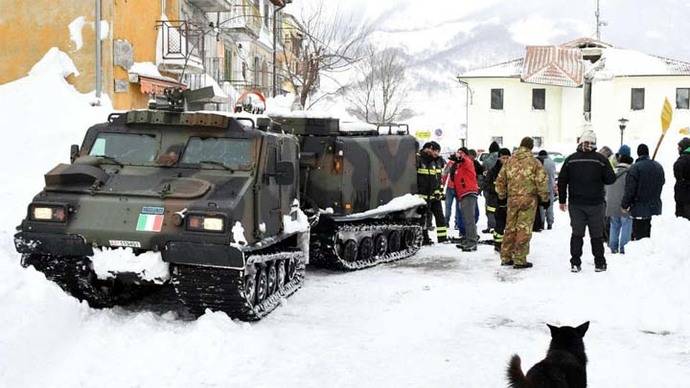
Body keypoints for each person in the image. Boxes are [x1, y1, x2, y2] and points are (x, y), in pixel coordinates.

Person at [558, 129, 616, 272]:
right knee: (596, 234)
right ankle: (599, 263)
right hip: (596, 204)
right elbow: (611, 179)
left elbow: (562, 180)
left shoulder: (571, 159)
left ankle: (575, 263)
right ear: (594, 143)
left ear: (580, 142)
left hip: (576, 204)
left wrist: (562, 200)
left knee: (577, 234)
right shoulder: (601, 160)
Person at [496, 137, 549, 269]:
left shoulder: (509, 161)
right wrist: (545, 199)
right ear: (531, 147)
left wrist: (502, 196)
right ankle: (519, 259)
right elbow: (541, 182)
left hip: (512, 199)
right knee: (524, 228)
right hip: (528, 199)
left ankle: (506, 257)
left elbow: (500, 180)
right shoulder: (535, 162)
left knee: (510, 227)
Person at [621, 144, 665, 240]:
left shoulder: (635, 168)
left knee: (640, 241)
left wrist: (624, 205)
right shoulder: (658, 167)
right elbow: (662, 183)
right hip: (655, 208)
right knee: (652, 241)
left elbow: (630, 189)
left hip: (639, 210)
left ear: (638, 153)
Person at [417, 141, 448, 243]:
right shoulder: (419, 159)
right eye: (436, 151)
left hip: (435, 196)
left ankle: (442, 238)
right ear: (430, 148)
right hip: (423, 196)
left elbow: (438, 178)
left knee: (440, 217)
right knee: (424, 218)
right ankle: (424, 239)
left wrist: (439, 191)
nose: (437, 154)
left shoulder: (437, 161)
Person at [605, 148, 634, 254]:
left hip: (611, 204)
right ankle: (623, 248)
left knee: (614, 225)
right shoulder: (631, 172)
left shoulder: (612, 171)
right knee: (626, 224)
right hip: (624, 205)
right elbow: (631, 189)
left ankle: (613, 247)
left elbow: (605, 187)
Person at [453, 148, 480, 251]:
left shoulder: (467, 161)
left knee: (469, 220)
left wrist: (460, 156)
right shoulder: (460, 166)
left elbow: (465, 159)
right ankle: (468, 240)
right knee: (466, 219)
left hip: (468, 192)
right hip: (463, 194)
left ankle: (472, 242)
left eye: (461, 153)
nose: (458, 155)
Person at [485, 148, 511, 253]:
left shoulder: (512, 170)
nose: (505, 160)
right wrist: (497, 190)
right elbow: (487, 185)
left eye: (507, 157)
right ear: (499, 158)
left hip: (509, 202)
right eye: (503, 157)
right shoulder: (493, 170)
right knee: (499, 225)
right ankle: (498, 244)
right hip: (497, 202)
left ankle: (507, 244)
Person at [482, 141, 501, 233]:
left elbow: (482, 174)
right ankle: (499, 226)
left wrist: (482, 187)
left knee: (490, 208)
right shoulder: (502, 158)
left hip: (489, 188)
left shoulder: (486, 160)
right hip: (501, 187)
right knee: (501, 207)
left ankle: (491, 226)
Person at [442, 149, 462, 231]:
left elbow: (445, 174)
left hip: (457, 188)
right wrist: (442, 185)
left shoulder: (461, 163)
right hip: (452, 188)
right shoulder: (451, 163)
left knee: (455, 207)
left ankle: (455, 223)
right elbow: (445, 174)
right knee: (449, 206)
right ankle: (447, 222)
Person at [537, 150, 557, 230]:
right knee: (550, 205)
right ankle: (550, 223)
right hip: (550, 187)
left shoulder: (537, 162)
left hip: (541, 188)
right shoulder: (551, 162)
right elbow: (553, 173)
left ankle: (541, 223)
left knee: (541, 206)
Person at [675, 137, 690, 219]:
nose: (678, 149)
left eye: (680, 147)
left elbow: (677, 174)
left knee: (684, 222)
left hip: (685, 198)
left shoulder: (682, 160)